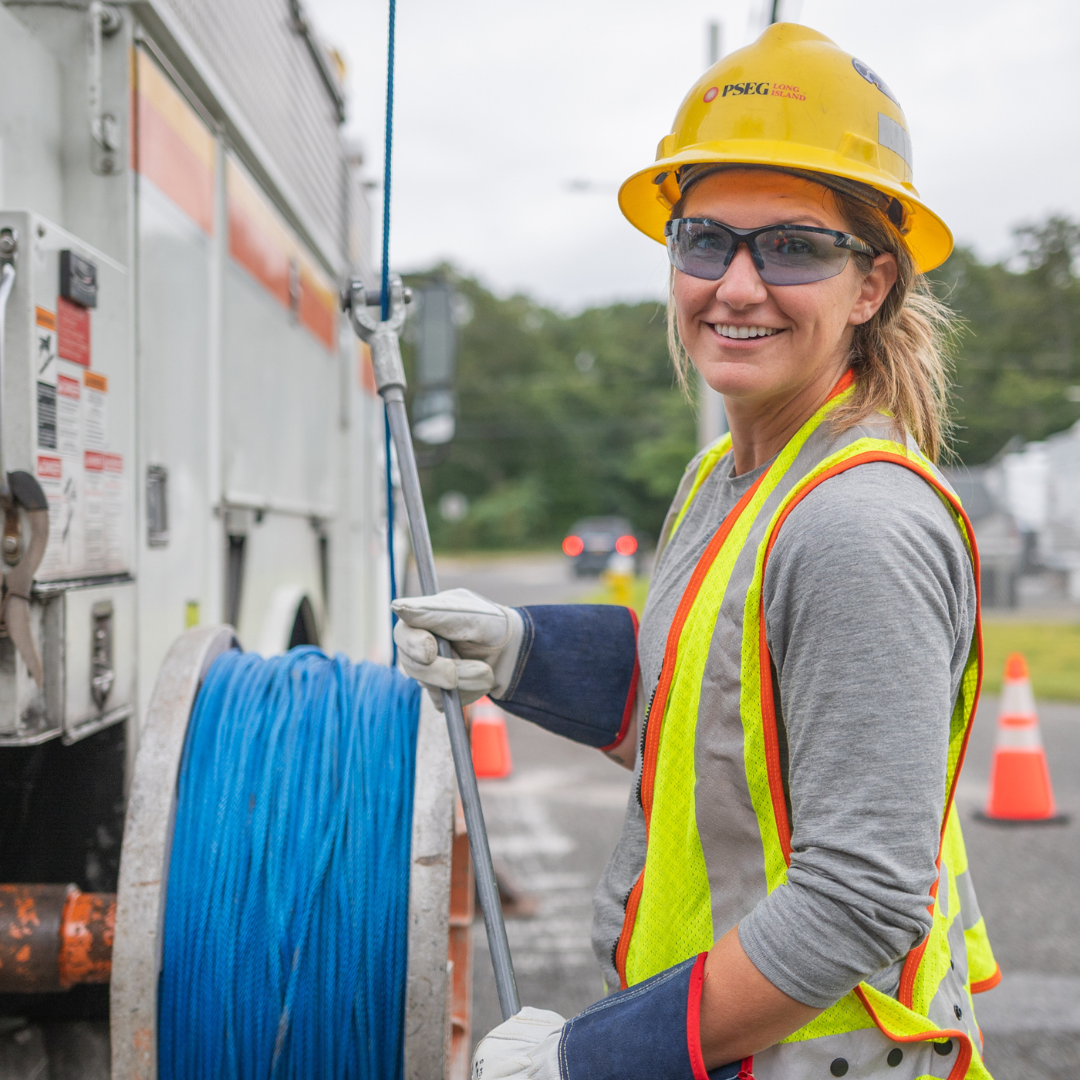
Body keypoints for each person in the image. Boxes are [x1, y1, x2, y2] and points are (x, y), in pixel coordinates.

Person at [391, 22, 1000, 1080]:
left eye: (796, 247)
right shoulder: (725, 478)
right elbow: (718, 711)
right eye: (706, 240)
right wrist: (523, 651)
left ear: (873, 286)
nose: (737, 284)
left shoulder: (859, 527)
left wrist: (590, 1058)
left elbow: (859, 901)